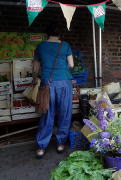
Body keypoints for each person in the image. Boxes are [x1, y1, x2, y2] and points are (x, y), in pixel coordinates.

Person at [32, 24, 74, 158]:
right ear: (59, 34)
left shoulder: (41, 46)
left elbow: (36, 67)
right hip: (64, 83)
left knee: (47, 114)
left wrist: (34, 79)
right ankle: (61, 144)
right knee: (64, 113)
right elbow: (71, 65)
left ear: (47, 34)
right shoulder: (65, 45)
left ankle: (41, 147)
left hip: (47, 83)